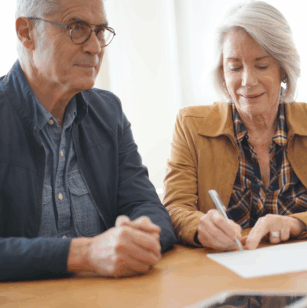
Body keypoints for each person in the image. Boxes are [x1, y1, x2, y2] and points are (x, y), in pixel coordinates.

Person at [162, 1, 307, 251]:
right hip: (225, 270)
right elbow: (174, 208)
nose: (247, 81)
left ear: (283, 69)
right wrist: (201, 228)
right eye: (234, 67)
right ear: (222, 72)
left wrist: (297, 222)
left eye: (262, 65)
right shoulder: (190, 125)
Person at [0, 0, 176, 281]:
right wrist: (85, 254)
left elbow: (147, 206)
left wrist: (140, 237)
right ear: (26, 33)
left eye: (101, 31)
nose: (95, 47)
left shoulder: (109, 112)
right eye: (77, 28)